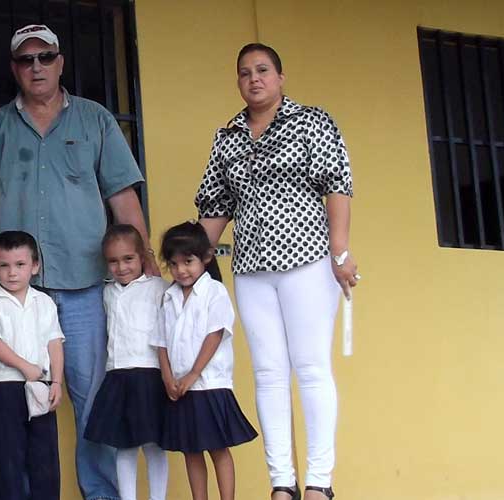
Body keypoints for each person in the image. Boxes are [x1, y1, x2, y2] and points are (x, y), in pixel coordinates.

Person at [0, 25, 151, 499]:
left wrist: (144, 255)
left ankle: (100, 493)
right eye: (26, 59)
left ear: (60, 62)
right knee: (15, 399)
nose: (37, 66)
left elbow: (122, 196)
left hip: (86, 284)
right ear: (15, 69)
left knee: (91, 398)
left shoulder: (95, 119)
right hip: (17, 294)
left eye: (45, 57)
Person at [194, 42, 356, 500]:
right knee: (268, 373)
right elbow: (215, 206)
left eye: (263, 70)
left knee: (311, 367)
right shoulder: (227, 136)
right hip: (251, 268)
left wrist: (340, 251)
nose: (254, 79)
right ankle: (281, 482)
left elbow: (337, 184)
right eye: (245, 73)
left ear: (280, 78)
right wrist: (188, 260)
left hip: (308, 260)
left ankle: (319, 482)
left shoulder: (311, 121)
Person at [154, 223, 257, 500]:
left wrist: (193, 374)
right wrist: (167, 377)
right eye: (174, 264)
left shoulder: (214, 291)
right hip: (180, 388)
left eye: (188, 261)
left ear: (206, 258)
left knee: (218, 448)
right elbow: (161, 341)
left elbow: (215, 334)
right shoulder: (169, 297)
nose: (181, 270)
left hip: (209, 385)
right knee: (191, 450)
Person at [83, 224, 170, 500]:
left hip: (150, 375)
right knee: (124, 445)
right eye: (113, 261)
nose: (121, 267)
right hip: (117, 375)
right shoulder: (106, 292)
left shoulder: (159, 289)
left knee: (154, 445)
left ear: (142, 256)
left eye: (128, 259)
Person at [0, 231, 66, 500]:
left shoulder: (44, 301)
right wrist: (25, 367)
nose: (12, 273)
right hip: (6, 386)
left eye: (20, 264)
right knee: (9, 456)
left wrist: (57, 382)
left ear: (35, 266)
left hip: (41, 386)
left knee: (44, 457)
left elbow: (55, 343)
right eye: (4, 265)